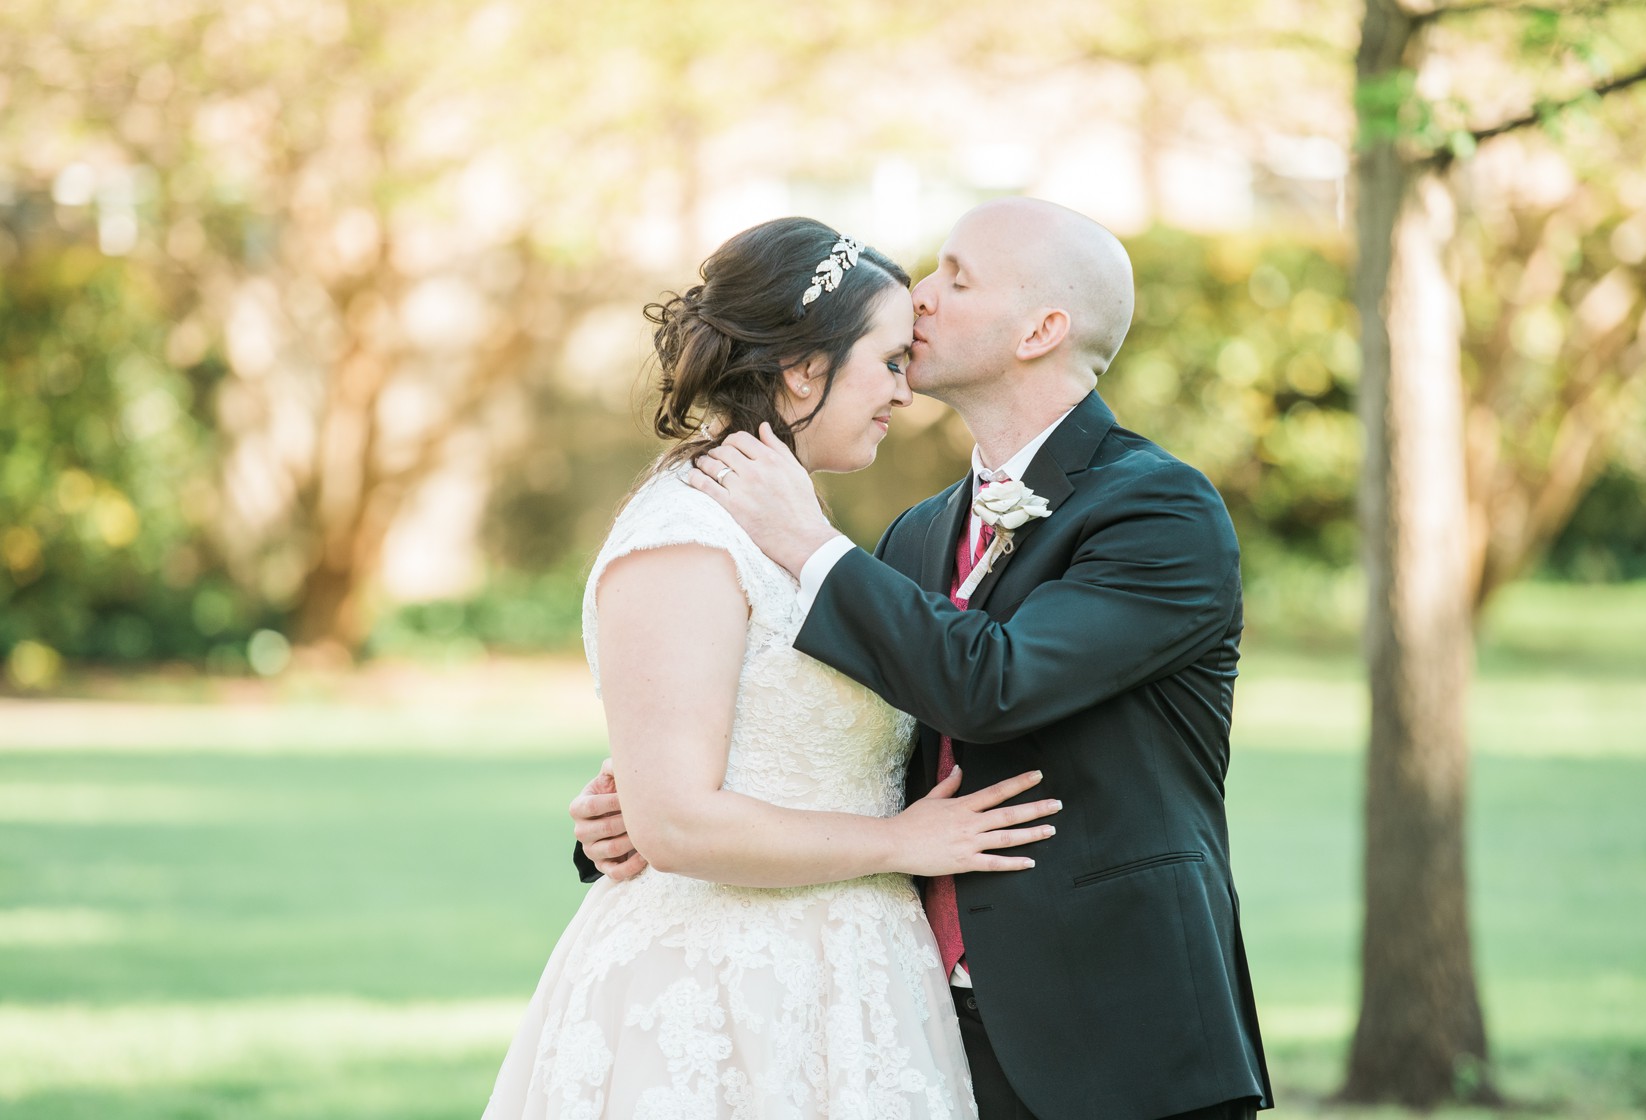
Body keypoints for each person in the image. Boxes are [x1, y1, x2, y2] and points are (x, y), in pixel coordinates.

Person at [576, 198, 1272, 1119]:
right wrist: (643, 810)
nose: (922, 295)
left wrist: (812, 546)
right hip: (914, 1022)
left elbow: (995, 684)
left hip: (1114, 1026)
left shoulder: (1160, 513)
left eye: (956, 275)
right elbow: (861, 735)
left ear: (1042, 329)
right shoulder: (915, 534)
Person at [482, 217, 1062, 1120]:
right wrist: (901, 842)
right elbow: (676, 822)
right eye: (889, 362)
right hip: (722, 992)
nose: (903, 394)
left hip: (856, 981)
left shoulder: (797, 530)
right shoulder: (684, 537)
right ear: (801, 369)